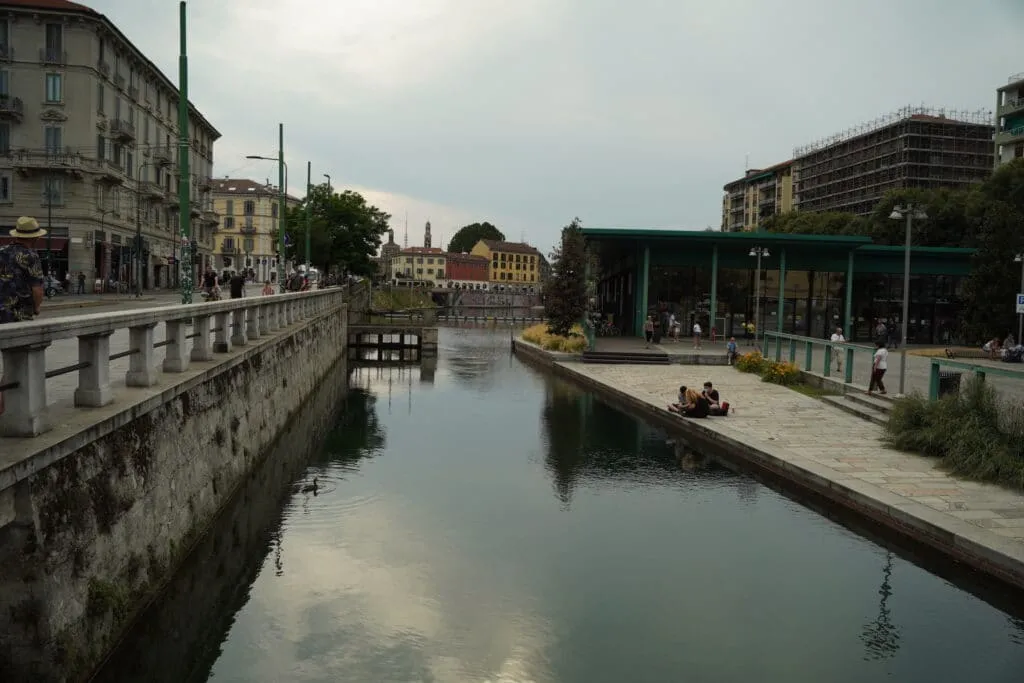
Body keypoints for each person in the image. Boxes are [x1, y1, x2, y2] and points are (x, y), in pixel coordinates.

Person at [0, 216, 46, 324]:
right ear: (34, 238)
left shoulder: (2, 251)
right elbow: (37, 289)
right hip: (19, 314)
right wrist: (37, 307)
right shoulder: (30, 256)